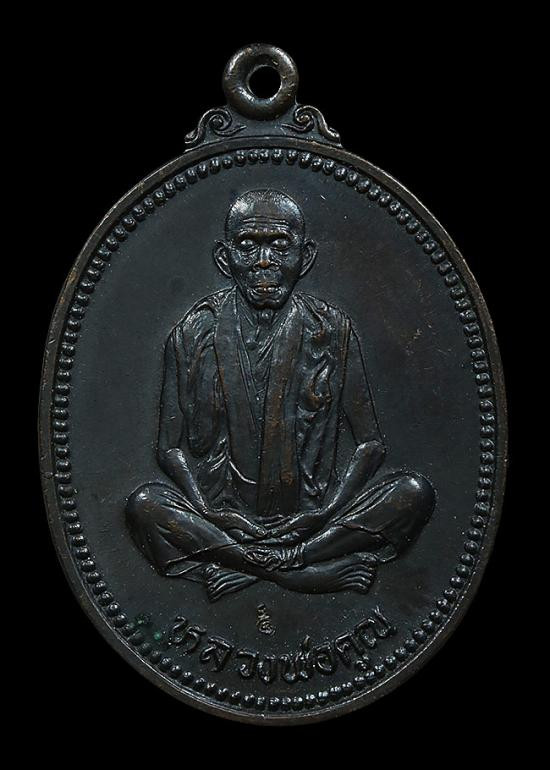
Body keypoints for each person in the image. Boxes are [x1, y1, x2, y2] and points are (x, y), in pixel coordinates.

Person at [126, 189, 435, 600]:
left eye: (279, 246)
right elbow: (169, 448)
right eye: (248, 246)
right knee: (145, 504)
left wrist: (323, 513)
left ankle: (252, 565)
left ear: (305, 258)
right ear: (224, 259)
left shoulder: (333, 329)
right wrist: (208, 511)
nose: (264, 261)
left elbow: (371, 444)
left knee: (412, 493)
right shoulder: (191, 332)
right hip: (221, 522)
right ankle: (299, 572)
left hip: (313, 519)